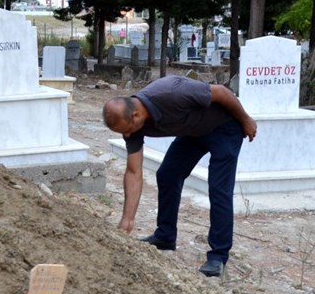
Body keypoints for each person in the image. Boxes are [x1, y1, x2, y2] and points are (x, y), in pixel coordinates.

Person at [103, 75, 257, 277]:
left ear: (136, 116)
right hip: (194, 132)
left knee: (219, 189)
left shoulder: (171, 93)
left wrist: (245, 119)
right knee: (168, 174)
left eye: (128, 131)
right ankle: (165, 236)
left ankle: (218, 256)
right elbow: (134, 171)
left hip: (224, 128)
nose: (128, 135)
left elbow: (221, 91)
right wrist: (127, 219)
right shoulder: (131, 126)